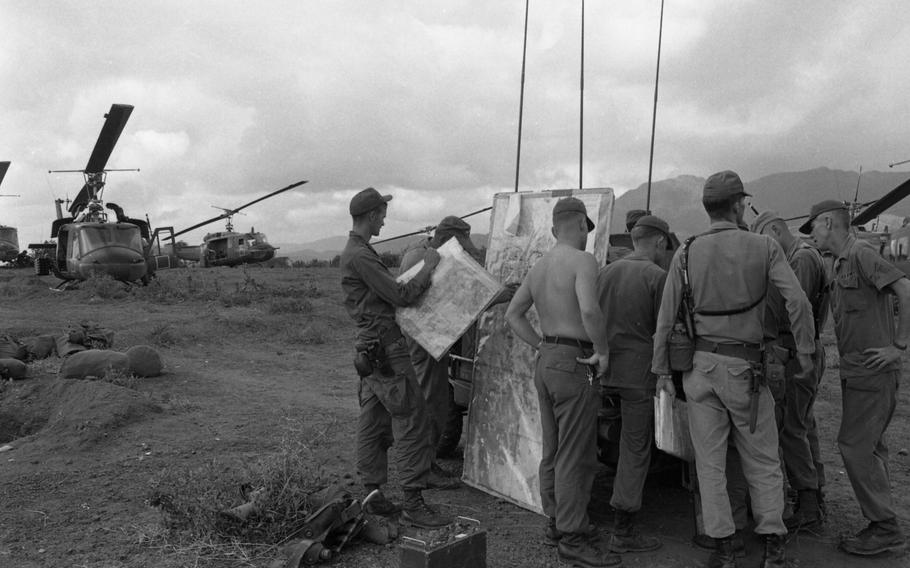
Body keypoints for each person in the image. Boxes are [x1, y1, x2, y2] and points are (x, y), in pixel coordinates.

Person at [652, 171, 816, 568]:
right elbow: (798, 302)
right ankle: (773, 545)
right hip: (747, 369)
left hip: (699, 370)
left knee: (709, 464)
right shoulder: (763, 246)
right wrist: (806, 353)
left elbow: (665, 317)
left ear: (708, 208)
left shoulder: (686, 252)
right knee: (761, 459)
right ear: (739, 205)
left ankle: (725, 548)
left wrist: (661, 372)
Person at [506, 197, 619, 567]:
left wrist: (541, 345)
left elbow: (513, 314)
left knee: (553, 447)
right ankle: (573, 535)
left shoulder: (539, 266)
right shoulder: (583, 261)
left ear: (555, 230)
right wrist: (602, 350)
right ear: (584, 227)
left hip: (547, 360)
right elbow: (589, 309)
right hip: (575, 361)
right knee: (576, 452)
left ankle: (557, 520)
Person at [800, 199, 910, 556]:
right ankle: (882, 523)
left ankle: (885, 527)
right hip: (857, 371)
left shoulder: (861, 253)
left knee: (854, 445)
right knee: (870, 446)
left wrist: (899, 345)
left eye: (814, 226)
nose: (812, 233)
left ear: (829, 222)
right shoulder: (839, 262)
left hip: (873, 372)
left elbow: (905, 290)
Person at [340, 187, 450, 529]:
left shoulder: (357, 252)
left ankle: (372, 496)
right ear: (371, 215)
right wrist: (428, 266)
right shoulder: (360, 255)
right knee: (412, 417)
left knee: (373, 420)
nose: (385, 218)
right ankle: (414, 503)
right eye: (382, 213)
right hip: (386, 349)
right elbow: (400, 295)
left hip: (370, 351)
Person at [399, 216, 515, 475]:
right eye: (461, 247)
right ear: (450, 241)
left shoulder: (419, 252)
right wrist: (496, 298)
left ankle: (424, 462)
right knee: (432, 402)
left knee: (433, 400)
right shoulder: (427, 258)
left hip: (424, 338)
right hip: (426, 340)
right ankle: (423, 467)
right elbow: (452, 301)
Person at [595, 215, 671, 553]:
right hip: (639, 375)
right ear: (659, 242)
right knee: (635, 448)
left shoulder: (606, 272)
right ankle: (623, 529)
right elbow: (665, 330)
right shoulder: (658, 276)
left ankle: (572, 513)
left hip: (603, 371)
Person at [751, 210, 829, 532]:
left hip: (797, 353)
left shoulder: (801, 260)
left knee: (791, 430)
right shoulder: (801, 256)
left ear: (774, 230)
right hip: (796, 352)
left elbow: (796, 310)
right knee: (802, 424)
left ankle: (809, 505)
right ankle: (813, 494)